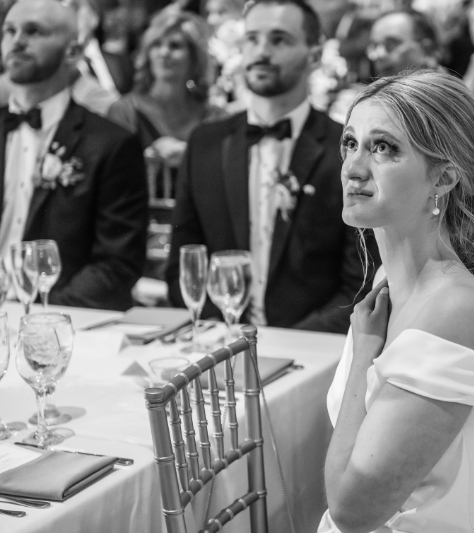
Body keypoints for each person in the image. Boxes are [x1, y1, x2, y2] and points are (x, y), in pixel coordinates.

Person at [319, 70, 474, 532]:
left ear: (444, 177)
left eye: (383, 148)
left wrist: (363, 356)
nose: (353, 167)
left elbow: (352, 508)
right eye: (350, 143)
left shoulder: (460, 310)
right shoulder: (386, 287)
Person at [166, 0, 368, 333]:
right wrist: (224, 337)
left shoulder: (345, 151)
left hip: (315, 350)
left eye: (279, 40)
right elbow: (184, 265)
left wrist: (295, 342)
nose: (261, 52)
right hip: (221, 346)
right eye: (252, 39)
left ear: (314, 55)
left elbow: (359, 281)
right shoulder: (205, 144)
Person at [0, 0, 148, 310]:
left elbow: (116, 264)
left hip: (63, 319)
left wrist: (39, 314)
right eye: (9, 31)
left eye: (34, 31)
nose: (17, 41)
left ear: (73, 51)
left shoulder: (111, 143)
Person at [108, 9, 226, 183]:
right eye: (156, 44)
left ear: (195, 58)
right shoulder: (125, 111)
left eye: (175, 45)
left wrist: (189, 155)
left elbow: (227, 177)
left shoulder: (214, 116)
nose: (164, 52)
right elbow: (111, 177)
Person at [367, 9, 439, 78]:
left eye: (390, 44)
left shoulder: (447, 89)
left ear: (426, 50)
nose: (379, 54)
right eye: (374, 46)